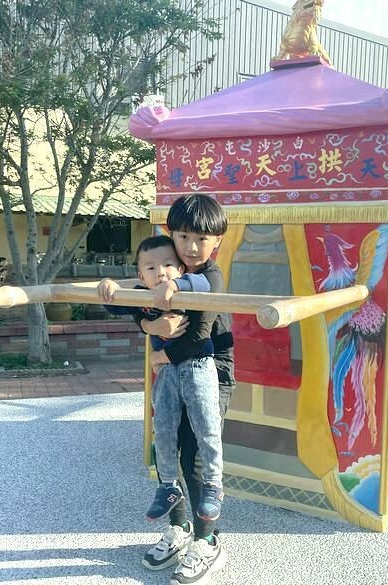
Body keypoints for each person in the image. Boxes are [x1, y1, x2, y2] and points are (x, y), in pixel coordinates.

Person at [123, 195, 235, 585]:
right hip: (174, 372)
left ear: (217, 241)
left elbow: (198, 333)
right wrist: (149, 327)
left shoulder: (210, 277)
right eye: (183, 237)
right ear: (171, 235)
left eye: (201, 239)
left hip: (211, 371)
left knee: (197, 455)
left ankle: (208, 541)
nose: (191, 247)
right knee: (166, 443)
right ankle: (179, 527)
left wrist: (160, 357)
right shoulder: (168, 265)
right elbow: (139, 301)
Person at [97, 234, 224, 524]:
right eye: (151, 268)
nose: (161, 272)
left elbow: (203, 283)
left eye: (168, 264)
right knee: (164, 430)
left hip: (198, 366)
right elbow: (114, 304)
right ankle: (168, 485)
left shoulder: (189, 286)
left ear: (181, 268)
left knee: (206, 425)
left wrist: (174, 285)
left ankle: (213, 483)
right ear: (141, 275)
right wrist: (108, 285)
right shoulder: (142, 296)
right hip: (166, 373)